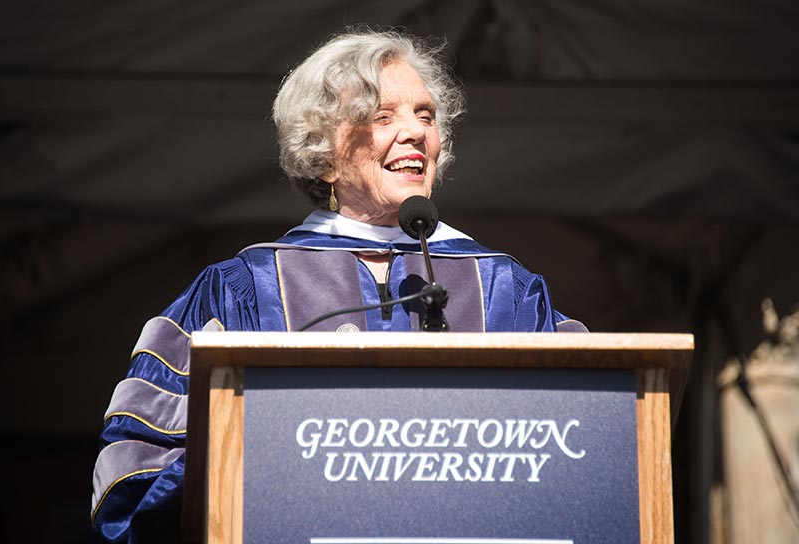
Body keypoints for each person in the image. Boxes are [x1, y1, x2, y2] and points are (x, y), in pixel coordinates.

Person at [90, 28, 583, 542]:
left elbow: (590, 440)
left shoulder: (506, 288)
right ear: (324, 156)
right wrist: (261, 440)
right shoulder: (245, 290)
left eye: (426, 115)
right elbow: (135, 481)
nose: (415, 132)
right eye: (382, 116)